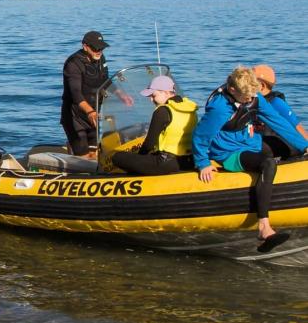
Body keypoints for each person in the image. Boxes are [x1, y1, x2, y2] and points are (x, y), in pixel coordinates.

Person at [192, 66, 308, 253]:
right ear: (232, 90)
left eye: (253, 96)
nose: (250, 100)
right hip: (229, 152)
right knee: (267, 163)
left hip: (250, 142)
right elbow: (200, 137)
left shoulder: (254, 97)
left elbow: (277, 121)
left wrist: (304, 146)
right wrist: (203, 163)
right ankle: (264, 227)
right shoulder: (220, 108)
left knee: (291, 148)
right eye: (246, 97)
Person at [112, 75, 197, 175]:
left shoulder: (163, 111)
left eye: (153, 95)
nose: (151, 100)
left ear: (165, 92)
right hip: (189, 161)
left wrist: (139, 159)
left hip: (165, 163)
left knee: (117, 157)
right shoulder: (191, 108)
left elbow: (149, 144)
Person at [60, 31, 114, 158]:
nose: (99, 51)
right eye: (95, 48)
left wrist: (123, 95)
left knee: (95, 154)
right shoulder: (73, 64)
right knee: (83, 156)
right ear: (85, 46)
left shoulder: (101, 59)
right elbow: (76, 94)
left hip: (93, 114)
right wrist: (90, 112)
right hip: (75, 116)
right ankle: (74, 151)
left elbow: (106, 82)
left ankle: (73, 150)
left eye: (101, 48)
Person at [252, 64, 308, 159]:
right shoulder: (249, 101)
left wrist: (306, 145)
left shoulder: (276, 102)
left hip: (282, 146)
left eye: (250, 82)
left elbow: (297, 127)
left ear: (262, 85)